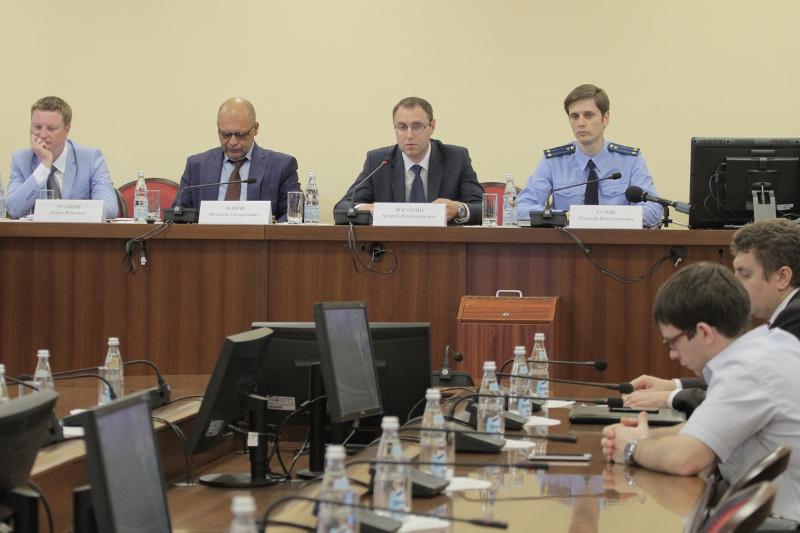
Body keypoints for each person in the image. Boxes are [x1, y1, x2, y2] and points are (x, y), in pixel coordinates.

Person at [600, 262, 800, 521]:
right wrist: (647, 435)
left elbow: (685, 459)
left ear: (704, 332)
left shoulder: (746, 370)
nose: (672, 354)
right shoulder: (767, 347)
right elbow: (707, 429)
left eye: (672, 342)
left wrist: (632, 447)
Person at [624, 218, 800, 414]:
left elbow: (742, 397)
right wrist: (673, 386)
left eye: (744, 274)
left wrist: (669, 398)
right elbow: (742, 382)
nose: (735, 283)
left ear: (783, 277)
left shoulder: (795, 317)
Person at [516, 84, 661, 227]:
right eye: (574, 116)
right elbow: (522, 208)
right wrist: (565, 217)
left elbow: (653, 210)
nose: (581, 123)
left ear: (605, 118)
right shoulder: (554, 162)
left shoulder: (630, 160)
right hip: (568, 241)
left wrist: (607, 218)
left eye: (588, 115)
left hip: (617, 241)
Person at [334, 97, 484, 225]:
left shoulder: (456, 158)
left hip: (443, 245)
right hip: (393, 245)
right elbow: (342, 208)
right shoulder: (379, 161)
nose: (409, 135)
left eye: (417, 126)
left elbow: (485, 209)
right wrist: (367, 209)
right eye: (402, 127)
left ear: (432, 126)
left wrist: (459, 209)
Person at [175, 97, 299, 222]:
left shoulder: (282, 167)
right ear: (218, 129)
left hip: (259, 235)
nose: (233, 142)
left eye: (241, 135)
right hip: (207, 235)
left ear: (255, 128)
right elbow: (178, 216)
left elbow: (294, 215)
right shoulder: (196, 166)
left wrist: (270, 228)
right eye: (226, 134)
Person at [7, 96, 118, 219]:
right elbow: (13, 209)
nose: (42, 135)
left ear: (66, 130)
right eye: (37, 127)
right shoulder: (21, 159)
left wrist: (62, 213)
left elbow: (109, 208)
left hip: (77, 231)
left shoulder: (90, 159)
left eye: (51, 129)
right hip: (36, 232)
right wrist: (44, 167)